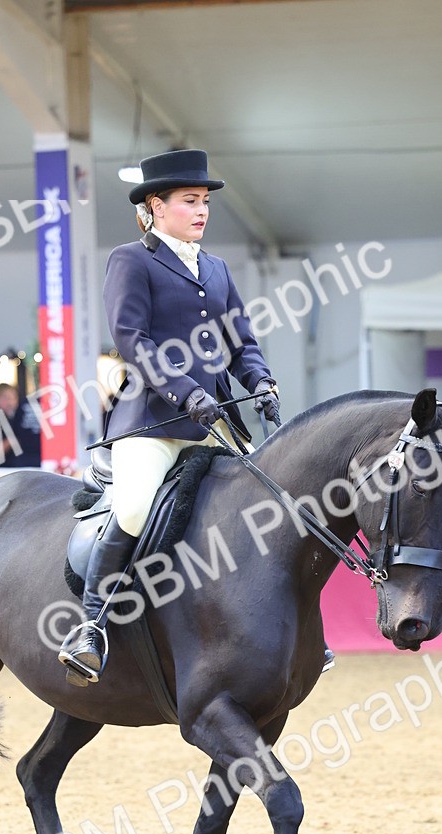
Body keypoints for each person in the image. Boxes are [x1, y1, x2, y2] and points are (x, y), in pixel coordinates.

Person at [58, 148, 281, 685]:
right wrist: (185, 392)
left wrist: (261, 381)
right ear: (156, 206)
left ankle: (279, 625)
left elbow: (241, 341)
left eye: (205, 202)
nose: (202, 211)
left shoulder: (218, 268)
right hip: (154, 423)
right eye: (190, 201)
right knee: (134, 507)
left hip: (216, 421)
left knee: (272, 501)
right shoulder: (131, 260)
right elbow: (133, 340)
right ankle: (92, 626)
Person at [0, 382, 41, 468]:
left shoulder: (18, 419)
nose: (11, 403)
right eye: (6, 398)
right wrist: (13, 439)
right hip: (1, 473)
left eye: (14, 398)